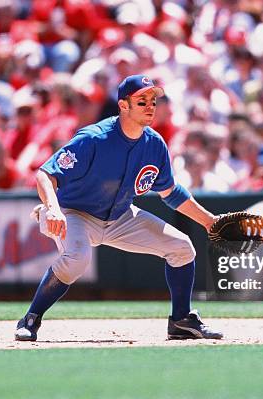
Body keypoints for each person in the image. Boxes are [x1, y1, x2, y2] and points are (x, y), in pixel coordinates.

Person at [15, 74, 223, 341]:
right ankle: (31, 318)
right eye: (141, 101)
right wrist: (53, 209)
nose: (150, 106)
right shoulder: (94, 138)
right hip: (73, 213)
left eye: (153, 100)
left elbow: (169, 192)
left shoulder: (154, 144)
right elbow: (46, 174)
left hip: (120, 216)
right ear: (123, 105)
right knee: (77, 260)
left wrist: (208, 221)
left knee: (182, 248)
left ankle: (181, 320)